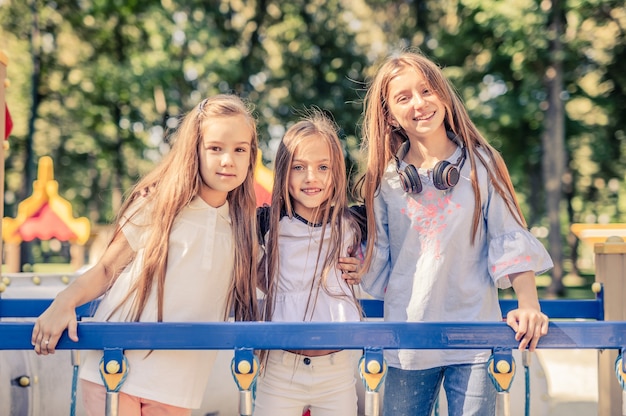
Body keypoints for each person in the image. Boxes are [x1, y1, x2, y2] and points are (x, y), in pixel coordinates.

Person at [31, 94, 261, 416]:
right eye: (215, 148)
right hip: (115, 366)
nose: (228, 160)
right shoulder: (160, 203)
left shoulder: (245, 226)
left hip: (179, 385)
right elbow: (108, 269)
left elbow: (274, 276)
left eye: (240, 149)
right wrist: (64, 301)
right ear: (194, 149)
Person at [356, 50, 554, 416]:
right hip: (408, 339)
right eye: (404, 97)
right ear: (388, 115)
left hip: (476, 337)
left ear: (444, 95)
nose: (419, 103)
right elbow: (377, 262)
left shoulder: (483, 163)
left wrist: (529, 304)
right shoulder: (385, 180)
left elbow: (509, 237)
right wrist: (354, 262)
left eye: (427, 90)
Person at [253, 109, 363, 416]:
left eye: (323, 167)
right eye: (299, 167)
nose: (311, 177)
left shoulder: (352, 223)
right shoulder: (267, 223)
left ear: (336, 173)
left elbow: (393, 244)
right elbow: (254, 271)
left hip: (336, 369)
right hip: (279, 367)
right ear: (283, 172)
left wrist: (363, 266)